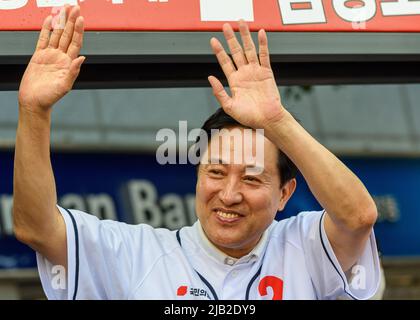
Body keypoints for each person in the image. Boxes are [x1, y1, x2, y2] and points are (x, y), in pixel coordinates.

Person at [13, 5, 380, 300]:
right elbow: (36, 228)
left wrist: (276, 120)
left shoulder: (305, 246)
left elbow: (358, 216)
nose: (229, 194)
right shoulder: (137, 254)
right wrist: (33, 111)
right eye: (216, 172)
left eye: (251, 178)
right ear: (198, 173)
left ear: (284, 193)